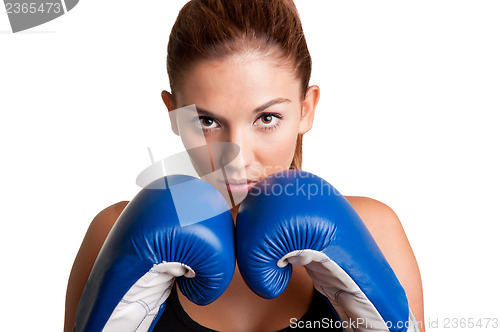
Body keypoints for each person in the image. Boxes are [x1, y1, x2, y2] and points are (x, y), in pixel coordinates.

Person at [64, 0, 425, 331]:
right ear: (174, 114)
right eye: (207, 121)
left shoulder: (373, 229)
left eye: (267, 118)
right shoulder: (113, 232)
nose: (237, 159)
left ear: (306, 109)